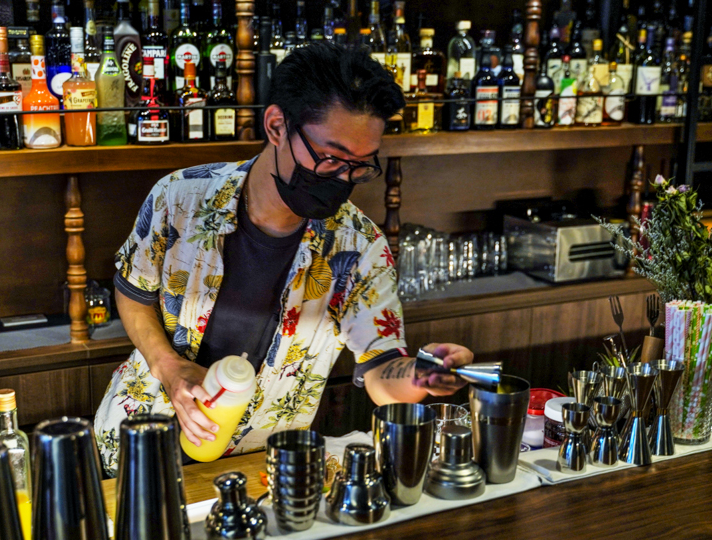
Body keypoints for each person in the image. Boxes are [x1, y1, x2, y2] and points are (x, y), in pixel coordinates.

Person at [94, 42, 474, 475]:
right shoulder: (179, 198)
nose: (342, 178)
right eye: (330, 158)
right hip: (138, 444)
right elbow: (133, 292)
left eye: (361, 165)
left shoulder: (358, 244)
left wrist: (423, 375)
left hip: (262, 462)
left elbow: (381, 371)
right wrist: (169, 366)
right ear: (277, 125)